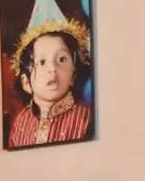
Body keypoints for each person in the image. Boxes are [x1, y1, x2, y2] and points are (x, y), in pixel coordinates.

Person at [7, 19, 92, 150]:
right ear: (26, 83)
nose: (53, 68)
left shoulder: (87, 118)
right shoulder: (20, 122)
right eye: (42, 62)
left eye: (62, 59)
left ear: (73, 76)